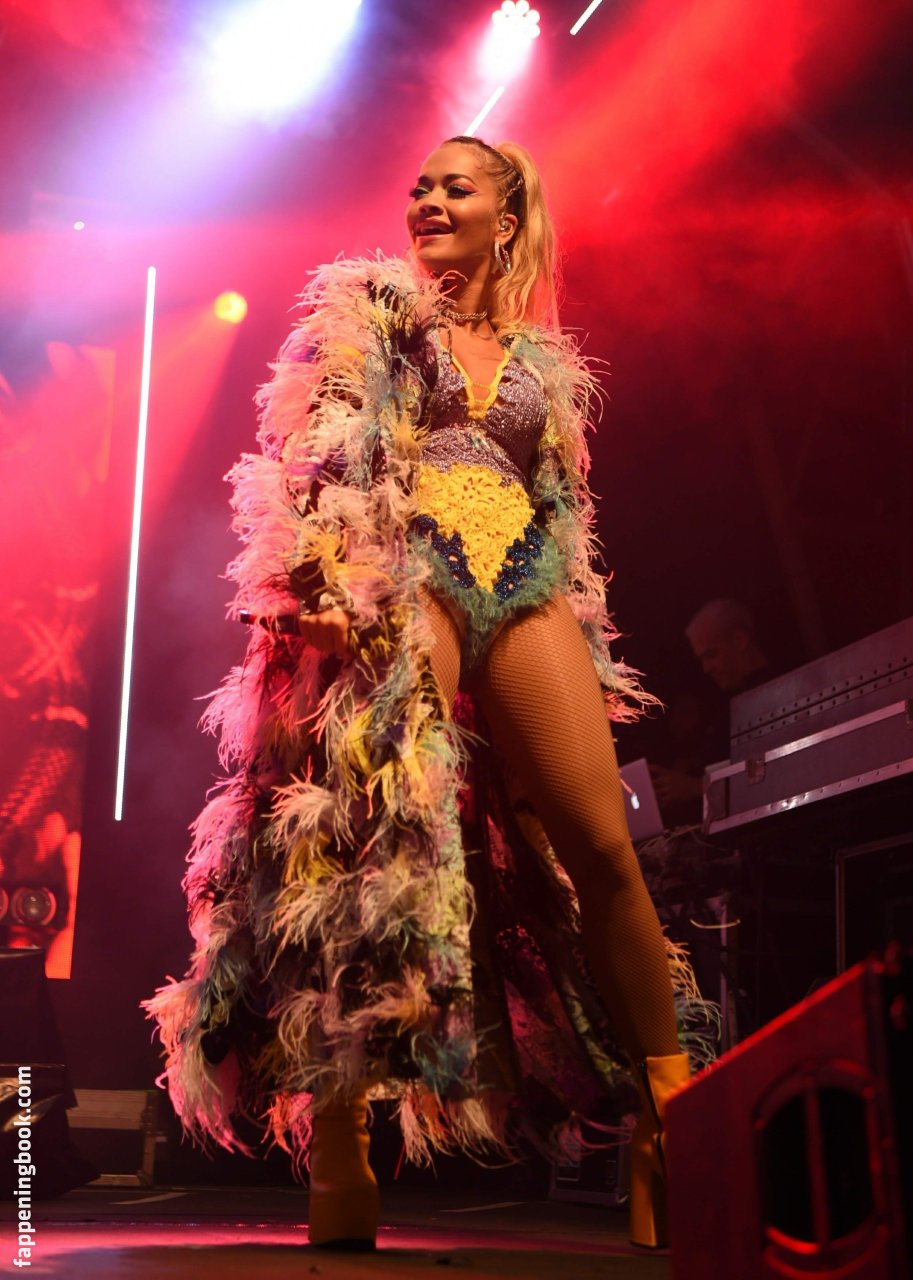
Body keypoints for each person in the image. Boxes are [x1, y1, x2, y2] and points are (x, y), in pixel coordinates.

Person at [144, 136, 715, 1251]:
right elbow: (318, 455)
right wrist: (313, 582)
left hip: (523, 586)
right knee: (374, 844)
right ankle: (343, 1126)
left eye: (457, 187)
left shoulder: (545, 364)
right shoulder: (369, 312)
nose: (430, 200)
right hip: (408, 574)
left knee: (602, 849)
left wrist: (568, 608)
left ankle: (673, 1122)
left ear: (509, 217)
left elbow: (559, 507)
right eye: (420, 186)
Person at [650, 598, 776, 822]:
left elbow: (773, 775)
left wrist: (693, 787)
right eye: (702, 659)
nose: (706, 668)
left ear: (739, 640)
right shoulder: (730, 704)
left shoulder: (774, 696)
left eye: (711, 655)